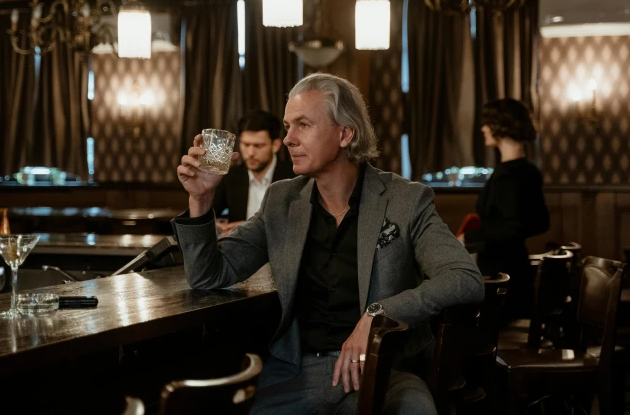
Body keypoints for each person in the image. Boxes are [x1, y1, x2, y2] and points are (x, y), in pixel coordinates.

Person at [173, 73, 483, 415]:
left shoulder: (405, 199)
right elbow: (209, 276)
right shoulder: (281, 201)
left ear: (345, 133)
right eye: (288, 126)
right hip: (295, 373)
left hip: (384, 370)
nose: (288, 139)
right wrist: (200, 200)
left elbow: (464, 278)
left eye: (303, 125)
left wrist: (378, 315)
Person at [457, 98, 549, 318]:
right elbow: (540, 223)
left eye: (488, 122)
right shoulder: (529, 171)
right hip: (518, 269)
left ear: (501, 126)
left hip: (501, 277)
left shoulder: (507, 175)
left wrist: (469, 237)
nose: (483, 128)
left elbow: (512, 228)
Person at [213, 110, 295, 236]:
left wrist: (249, 228)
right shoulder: (230, 177)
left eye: (258, 146)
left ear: (276, 145)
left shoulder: (293, 176)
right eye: (246, 144)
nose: (250, 153)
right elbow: (210, 214)